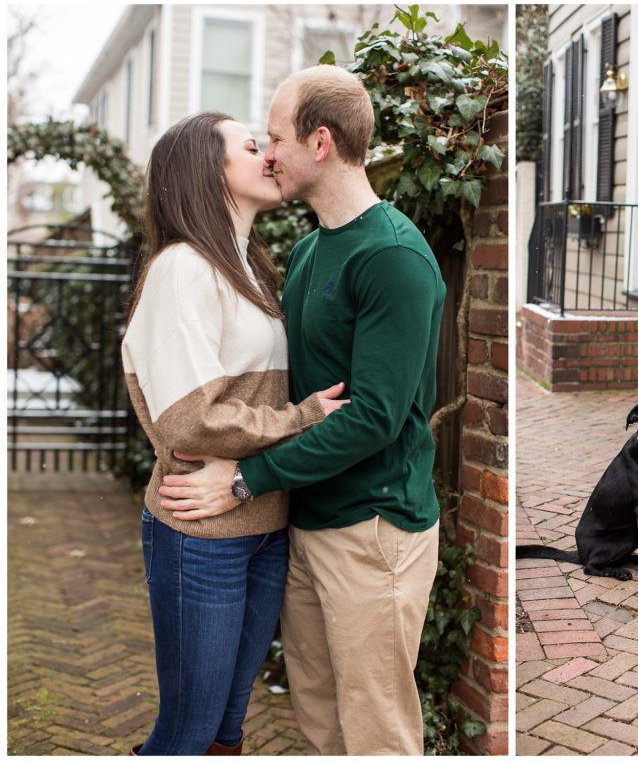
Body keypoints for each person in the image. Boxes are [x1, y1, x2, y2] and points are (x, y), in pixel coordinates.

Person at [156, 65, 446, 756]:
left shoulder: (393, 257)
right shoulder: (313, 248)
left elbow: (373, 417)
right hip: (308, 523)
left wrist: (245, 479)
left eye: (276, 138)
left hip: (373, 529)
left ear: (320, 143)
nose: (267, 152)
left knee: (376, 729)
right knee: (316, 721)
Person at [121, 111, 346, 755]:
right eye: (254, 146)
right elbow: (192, 422)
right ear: (207, 171)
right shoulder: (183, 269)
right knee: (188, 732)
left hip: (262, 522)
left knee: (225, 728)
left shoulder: (247, 267)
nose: (270, 156)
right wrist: (302, 418)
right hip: (200, 532)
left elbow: (231, 408)